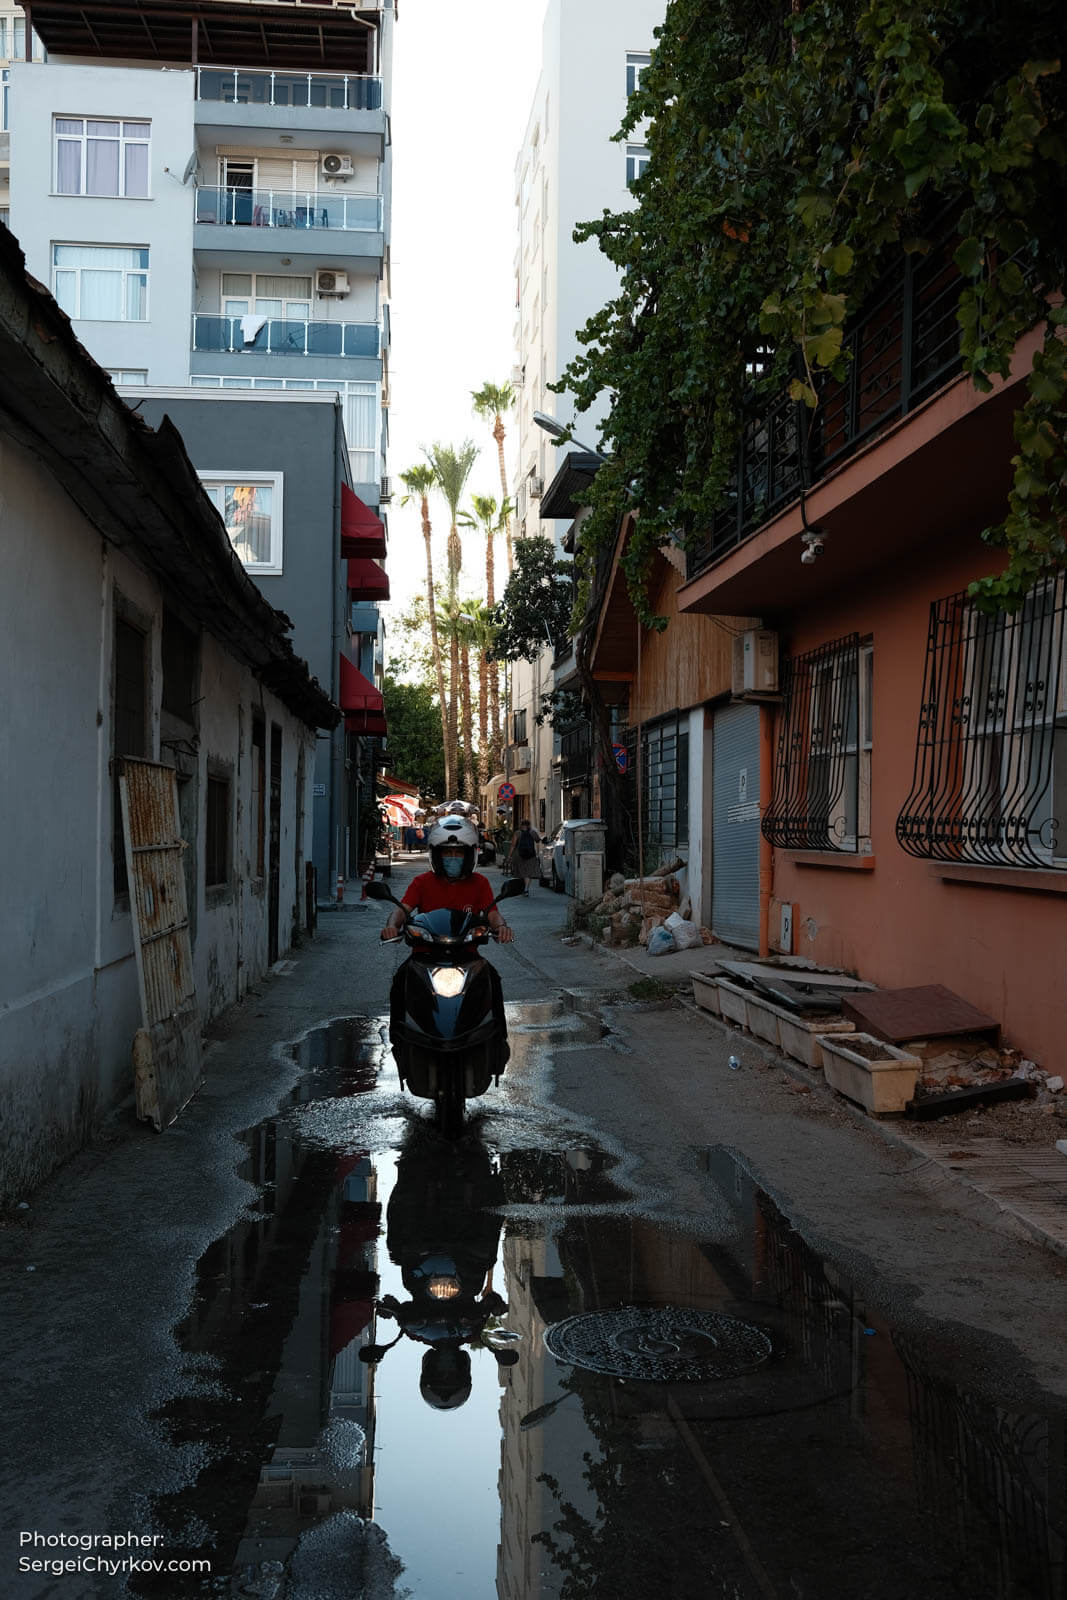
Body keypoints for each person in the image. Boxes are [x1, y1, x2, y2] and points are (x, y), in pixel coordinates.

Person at [382, 815, 514, 942]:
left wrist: (501, 928)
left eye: (459, 853)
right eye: (447, 852)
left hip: (467, 955)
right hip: (425, 954)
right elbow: (403, 909)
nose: (453, 857)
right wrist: (392, 926)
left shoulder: (480, 883)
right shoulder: (422, 882)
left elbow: (492, 914)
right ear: (437, 856)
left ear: (468, 856)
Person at [507, 818, 541, 894]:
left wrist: (509, 856)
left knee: (521, 872)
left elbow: (513, 845)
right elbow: (538, 840)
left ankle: (522, 888)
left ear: (521, 825)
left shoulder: (517, 833)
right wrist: (536, 832)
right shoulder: (532, 832)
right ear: (529, 825)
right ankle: (526, 889)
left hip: (519, 855)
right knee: (528, 873)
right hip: (531, 855)